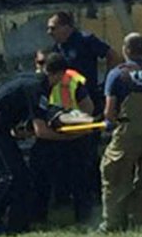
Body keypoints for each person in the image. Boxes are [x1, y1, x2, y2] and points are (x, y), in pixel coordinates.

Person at [0, 53, 83, 234]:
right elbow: (41, 131)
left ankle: (15, 224)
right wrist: (69, 137)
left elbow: (27, 115)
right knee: (15, 176)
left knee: (21, 178)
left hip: (2, 127)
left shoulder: (36, 82)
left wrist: (22, 129)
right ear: (59, 74)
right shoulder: (36, 87)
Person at [100, 32, 142, 232]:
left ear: (126, 50)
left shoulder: (117, 74)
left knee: (115, 175)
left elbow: (110, 112)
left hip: (128, 131)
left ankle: (113, 223)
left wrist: (110, 122)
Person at [48, 11, 119, 195]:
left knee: (88, 148)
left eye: (53, 28)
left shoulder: (85, 40)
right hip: (68, 104)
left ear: (67, 27)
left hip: (89, 100)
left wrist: (106, 85)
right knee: (70, 150)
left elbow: (112, 55)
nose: (50, 32)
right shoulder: (57, 48)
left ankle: (93, 191)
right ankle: (71, 192)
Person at [28, 48, 95, 224]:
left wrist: (76, 123)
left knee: (79, 179)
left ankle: (83, 217)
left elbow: (88, 108)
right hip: (49, 136)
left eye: (44, 64)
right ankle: (39, 216)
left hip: (72, 135)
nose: (41, 68)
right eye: (39, 64)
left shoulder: (71, 80)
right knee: (41, 177)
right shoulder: (35, 83)